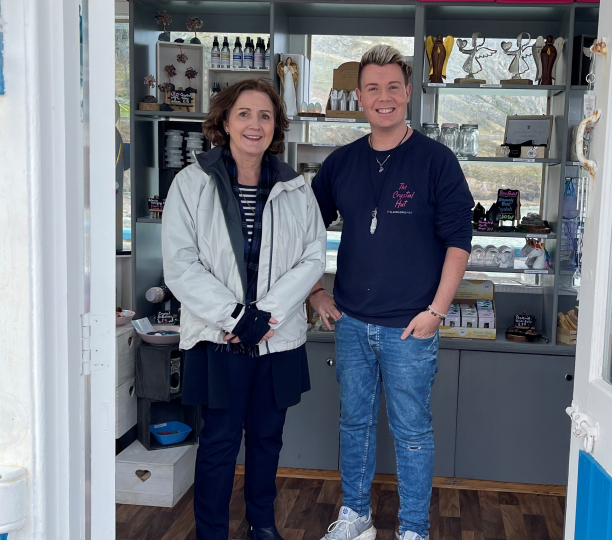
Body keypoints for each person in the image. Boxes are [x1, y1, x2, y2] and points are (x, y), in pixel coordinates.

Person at [310, 46, 474, 540]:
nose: (384, 97)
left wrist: (436, 312)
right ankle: (356, 517)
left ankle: (414, 530)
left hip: (410, 327)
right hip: (351, 322)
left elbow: (459, 243)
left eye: (393, 87)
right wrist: (316, 291)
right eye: (373, 88)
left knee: (412, 433)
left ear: (407, 93)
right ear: (359, 97)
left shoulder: (437, 161)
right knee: (353, 424)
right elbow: (304, 232)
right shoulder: (341, 163)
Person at [162, 78, 326, 540]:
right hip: (220, 338)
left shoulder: (296, 187)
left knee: (268, 439)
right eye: (245, 114)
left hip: (277, 338)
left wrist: (264, 315)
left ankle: (262, 524)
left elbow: (313, 256)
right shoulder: (192, 183)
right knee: (218, 442)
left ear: (276, 127)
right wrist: (237, 317)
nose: (255, 124)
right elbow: (180, 264)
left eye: (265, 116)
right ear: (225, 122)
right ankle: (212, 532)